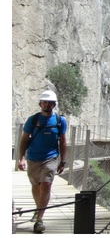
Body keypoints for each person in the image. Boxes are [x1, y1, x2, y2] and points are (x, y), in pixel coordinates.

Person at [18, 90, 67, 233]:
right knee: (36, 186)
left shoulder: (59, 121)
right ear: (40, 103)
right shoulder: (32, 120)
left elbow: (63, 142)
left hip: (50, 158)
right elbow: (24, 139)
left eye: (49, 102)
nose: (46, 104)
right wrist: (21, 158)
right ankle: (38, 208)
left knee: (46, 185)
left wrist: (62, 161)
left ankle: (39, 219)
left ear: (54, 104)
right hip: (33, 158)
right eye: (44, 102)